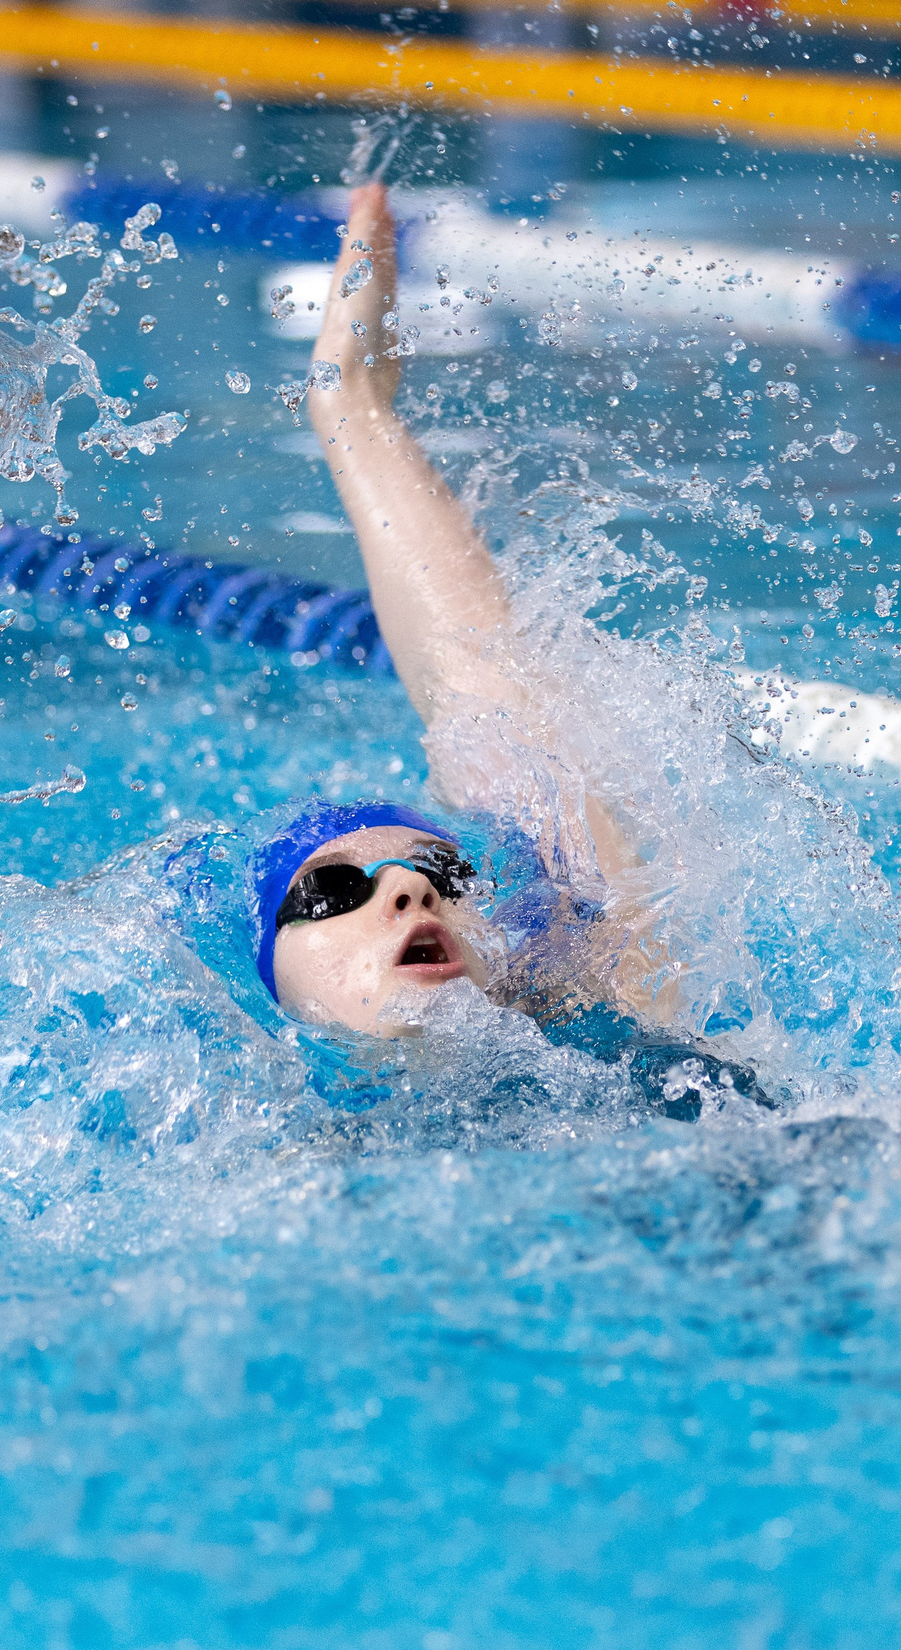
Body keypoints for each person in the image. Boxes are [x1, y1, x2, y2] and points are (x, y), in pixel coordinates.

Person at [250, 182, 703, 1066]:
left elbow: (481, 688)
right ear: (269, 975)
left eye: (452, 875)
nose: (415, 889)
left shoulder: (625, 1017)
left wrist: (350, 408)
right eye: (333, 891)